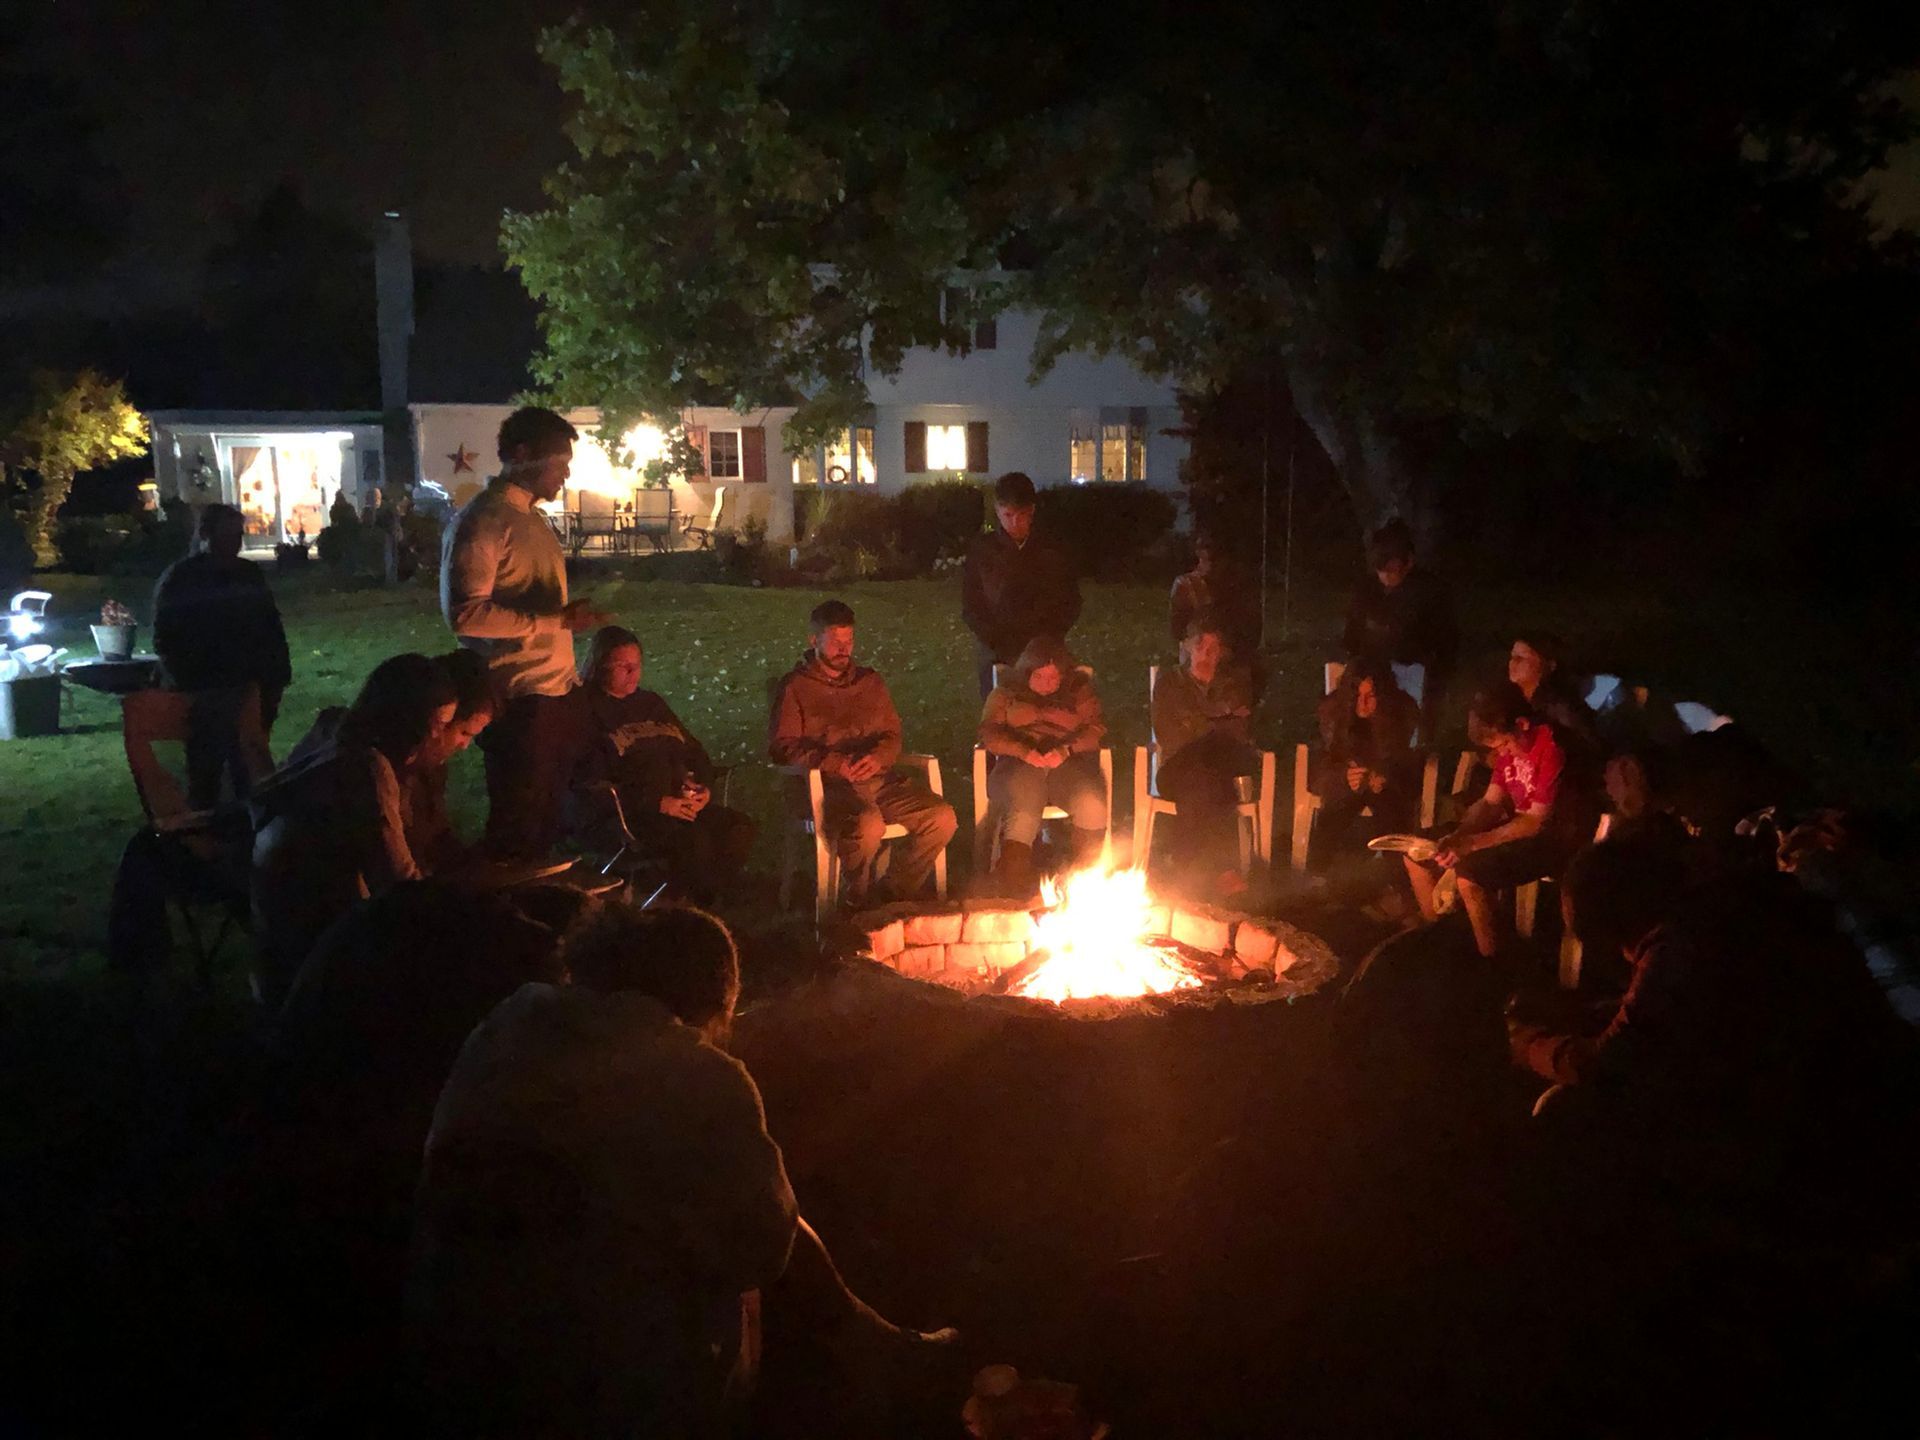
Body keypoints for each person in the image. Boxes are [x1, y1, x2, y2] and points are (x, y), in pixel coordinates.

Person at [410, 905, 954, 1437]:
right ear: (710, 1000)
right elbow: (763, 1251)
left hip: (456, 1346)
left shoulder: (511, 1025)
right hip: (612, 1388)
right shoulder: (699, 1076)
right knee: (749, 1236)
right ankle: (863, 1365)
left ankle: (872, 1340)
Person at [441, 405, 608, 859]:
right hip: (519, 700)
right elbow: (465, 615)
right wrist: (555, 621)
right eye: (559, 463)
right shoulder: (483, 521)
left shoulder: (532, 519)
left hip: (559, 692)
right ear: (521, 455)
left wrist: (564, 618)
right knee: (519, 829)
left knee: (556, 823)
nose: (565, 474)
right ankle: (504, 897)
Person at [248, 654, 455, 1003]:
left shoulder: (337, 732)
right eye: (438, 723)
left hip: (274, 918)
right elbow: (396, 882)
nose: (440, 736)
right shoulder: (367, 769)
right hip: (310, 943)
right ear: (410, 718)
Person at [769, 600, 957, 909]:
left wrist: (879, 757)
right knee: (868, 825)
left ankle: (894, 892)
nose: (843, 649)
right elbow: (783, 746)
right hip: (830, 786)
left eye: (849, 640)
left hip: (878, 780)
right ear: (814, 640)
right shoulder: (796, 687)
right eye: (835, 641)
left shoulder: (869, 682)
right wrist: (835, 764)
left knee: (941, 817)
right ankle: (858, 898)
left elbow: (892, 735)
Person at [1404, 682, 1594, 958]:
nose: (1501, 753)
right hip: (1517, 826)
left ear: (1522, 724)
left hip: (1553, 840)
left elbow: (1535, 822)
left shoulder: (1551, 747)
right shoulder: (1508, 750)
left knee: (1470, 875)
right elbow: (1491, 802)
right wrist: (1459, 835)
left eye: (1504, 743)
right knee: (1417, 854)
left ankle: (1494, 963)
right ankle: (1448, 942)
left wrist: (1472, 844)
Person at [576, 625, 756, 906]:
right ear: (599, 665)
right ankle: (696, 907)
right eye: (623, 666)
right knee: (695, 841)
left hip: (682, 807)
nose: (633, 673)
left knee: (738, 828)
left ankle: (705, 899)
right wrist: (657, 803)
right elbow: (589, 780)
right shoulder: (587, 710)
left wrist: (703, 787)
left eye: (637, 665)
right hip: (634, 815)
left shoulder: (651, 703)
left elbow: (695, 752)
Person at [151, 501, 293, 796]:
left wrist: (276, 676)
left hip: (250, 684)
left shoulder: (247, 574)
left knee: (249, 763)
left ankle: (245, 807)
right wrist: (191, 681)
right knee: (209, 769)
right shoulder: (183, 579)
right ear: (206, 535)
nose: (234, 543)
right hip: (208, 688)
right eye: (227, 535)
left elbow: (270, 626)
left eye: (238, 535)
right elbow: (168, 637)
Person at [978, 635, 1108, 893]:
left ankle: (1084, 881)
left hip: (1066, 763)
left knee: (1091, 802)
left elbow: (1095, 729)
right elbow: (989, 733)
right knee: (1024, 802)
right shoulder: (1007, 693)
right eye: (1039, 677)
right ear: (1026, 672)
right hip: (1018, 764)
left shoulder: (1078, 693)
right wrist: (1023, 751)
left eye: (1053, 678)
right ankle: (1013, 884)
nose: (1046, 684)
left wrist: (1066, 750)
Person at [1151, 612, 1259, 898]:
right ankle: (1222, 870)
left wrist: (1196, 720)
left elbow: (1240, 730)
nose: (1207, 654)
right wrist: (1219, 717)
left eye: (1214, 648)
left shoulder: (1232, 683)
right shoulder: (1169, 683)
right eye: (1201, 646)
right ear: (1187, 647)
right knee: (1207, 774)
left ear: (1222, 652)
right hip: (1177, 768)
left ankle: (1186, 868)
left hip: (1215, 769)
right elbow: (1170, 734)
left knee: (1204, 780)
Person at [961, 471, 1082, 699]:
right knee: (1000, 711)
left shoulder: (1051, 550)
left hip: (1044, 652)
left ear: (1032, 511)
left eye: (1022, 515)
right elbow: (971, 604)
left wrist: (1048, 638)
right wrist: (996, 640)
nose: (1015, 523)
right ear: (997, 510)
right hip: (997, 653)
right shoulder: (982, 552)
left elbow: (1070, 600)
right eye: (1008, 515)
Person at [1341, 519, 1457, 738]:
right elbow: (1351, 635)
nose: (1385, 577)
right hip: (1370, 671)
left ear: (1409, 563)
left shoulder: (1430, 593)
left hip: (1412, 675)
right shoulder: (1365, 590)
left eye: (1391, 570)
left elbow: (1444, 643)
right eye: (1380, 570)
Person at [1308, 657, 1421, 868]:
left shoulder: (1400, 713)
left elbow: (1403, 759)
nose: (1363, 703)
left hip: (1385, 786)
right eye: (1358, 696)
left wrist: (1384, 776)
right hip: (1343, 783)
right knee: (1334, 809)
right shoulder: (1333, 713)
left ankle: (1398, 872)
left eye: (1370, 696)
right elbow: (1318, 768)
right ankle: (1319, 872)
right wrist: (1344, 777)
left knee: (1391, 808)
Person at [1169, 531, 1260, 667]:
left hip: (1232, 659)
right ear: (1198, 554)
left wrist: (1228, 648)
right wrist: (1199, 645)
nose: (1210, 566)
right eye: (1206, 559)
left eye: (1215, 559)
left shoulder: (1239, 587)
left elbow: (1252, 631)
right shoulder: (1186, 585)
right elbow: (1177, 630)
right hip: (1198, 660)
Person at [1506, 631, 1598, 756]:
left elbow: (1587, 746)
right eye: (1512, 657)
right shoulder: (1517, 705)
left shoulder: (1559, 707)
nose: (1513, 662)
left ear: (1549, 665)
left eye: (1521, 657)